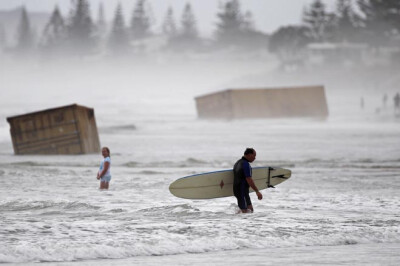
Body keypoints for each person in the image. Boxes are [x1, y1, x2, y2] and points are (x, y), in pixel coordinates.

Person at [233, 148, 262, 213]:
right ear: (249, 155)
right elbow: (249, 179)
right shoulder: (245, 164)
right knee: (244, 212)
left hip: (240, 190)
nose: (255, 158)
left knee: (250, 210)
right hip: (241, 191)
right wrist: (257, 191)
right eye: (254, 156)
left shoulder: (237, 163)